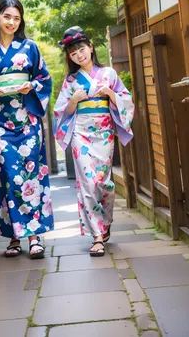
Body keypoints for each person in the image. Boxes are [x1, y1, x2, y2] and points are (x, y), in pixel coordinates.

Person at [0, 0, 53, 259]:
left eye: (16, 18)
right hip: (0, 123)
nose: (12, 22)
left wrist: (32, 86)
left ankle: (34, 237)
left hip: (27, 121)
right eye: (7, 16)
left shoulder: (30, 47)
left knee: (30, 176)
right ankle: (13, 237)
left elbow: (44, 79)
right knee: (7, 175)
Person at [53, 26, 134, 257]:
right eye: (72, 53)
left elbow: (126, 101)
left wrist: (110, 92)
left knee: (104, 183)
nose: (78, 55)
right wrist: (75, 100)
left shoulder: (109, 74)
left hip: (104, 132)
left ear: (90, 47)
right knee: (88, 183)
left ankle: (105, 223)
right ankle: (97, 236)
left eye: (81, 49)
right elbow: (61, 112)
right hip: (81, 133)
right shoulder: (70, 81)